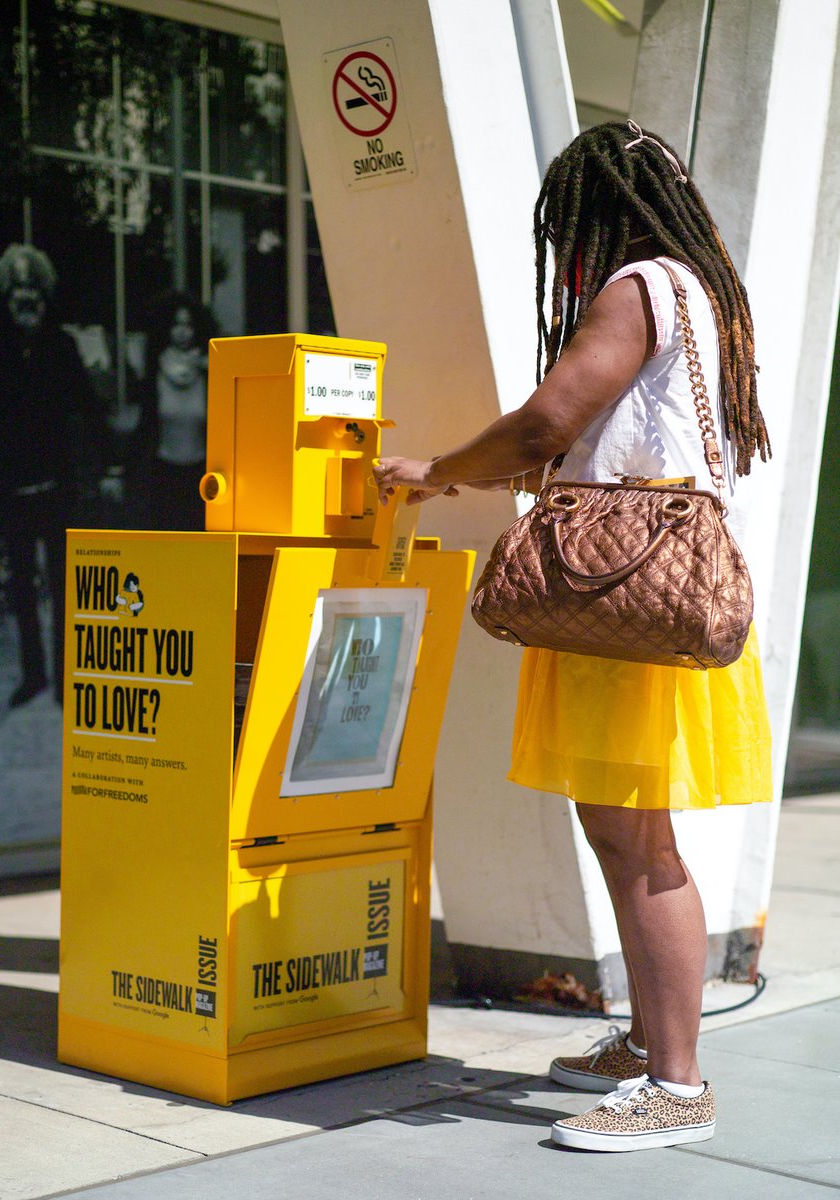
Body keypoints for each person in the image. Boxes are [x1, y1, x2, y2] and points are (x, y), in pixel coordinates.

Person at [375, 121, 772, 1153]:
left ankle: (676, 1084)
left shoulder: (638, 286)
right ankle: (647, 1040)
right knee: (621, 832)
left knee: (639, 844)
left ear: (591, 211)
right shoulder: (701, 293)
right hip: (642, 592)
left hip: (622, 600)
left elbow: (549, 422)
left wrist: (439, 469)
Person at [0, 244, 101, 707]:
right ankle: (34, 674)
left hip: (57, 488)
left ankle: (66, 678)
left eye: (33, 290)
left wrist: (97, 465)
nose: (26, 300)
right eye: (17, 291)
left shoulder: (61, 347)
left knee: (65, 586)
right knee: (22, 586)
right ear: (7, 297)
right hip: (13, 489)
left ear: (44, 296)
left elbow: (88, 407)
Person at [130, 292, 216, 531]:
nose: (182, 332)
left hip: (202, 475)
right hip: (163, 475)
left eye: (188, 325)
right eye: (176, 324)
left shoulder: (211, 372)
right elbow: (145, 425)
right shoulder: (155, 371)